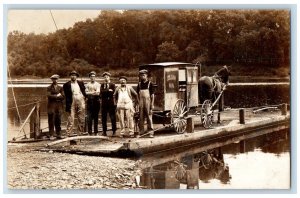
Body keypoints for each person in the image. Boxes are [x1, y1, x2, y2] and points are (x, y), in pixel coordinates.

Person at [63, 70, 87, 136]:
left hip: (80, 99)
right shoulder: (66, 85)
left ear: (76, 76)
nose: (73, 76)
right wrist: (67, 104)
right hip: (71, 101)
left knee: (81, 118)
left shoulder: (81, 83)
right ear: (70, 76)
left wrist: (85, 98)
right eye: (72, 75)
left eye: (75, 75)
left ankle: (80, 132)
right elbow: (65, 95)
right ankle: (68, 133)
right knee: (71, 118)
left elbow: (84, 91)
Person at [137, 69, 155, 138]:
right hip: (141, 103)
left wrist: (152, 105)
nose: (142, 76)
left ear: (146, 76)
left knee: (149, 117)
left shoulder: (150, 84)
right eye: (141, 75)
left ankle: (150, 132)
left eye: (143, 75)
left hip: (148, 103)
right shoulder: (139, 84)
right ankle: (141, 131)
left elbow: (152, 95)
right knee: (141, 117)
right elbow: (137, 95)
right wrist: (138, 103)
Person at [47, 74, 64, 140]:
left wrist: (55, 96)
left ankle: (58, 134)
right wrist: (57, 96)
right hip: (51, 106)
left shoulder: (61, 88)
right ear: (52, 80)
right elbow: (49, 96)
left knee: (58, 120)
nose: (55, 80)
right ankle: (51, 134)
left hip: (59, 106)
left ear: (58, 79)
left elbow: (63, 97)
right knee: (51, 120)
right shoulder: (49, 87)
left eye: (56, 79)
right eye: (54, 79)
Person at [100, 72, 117, 136]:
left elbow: (113, 93)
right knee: (103, 118)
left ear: (109, 77)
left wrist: (106, 91)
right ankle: (104, 132)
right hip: (104, 103)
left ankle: (114, 131)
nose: (106, 78)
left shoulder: (112, 84)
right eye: (104, 77)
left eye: (107, 77)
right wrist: (108, 90)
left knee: (113, 117)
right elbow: (101, 92)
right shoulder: (102, 85)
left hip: (111, 103)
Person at [85, 71, 101, 135]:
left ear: (95, 77)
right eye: (91, 76)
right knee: (89, 118)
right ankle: (89, 132)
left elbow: (97, 93)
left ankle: (96, 132)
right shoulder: (87, 84)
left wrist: (90, 92)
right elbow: (86, 93)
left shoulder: (98, 84)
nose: (92, 78)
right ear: (89, 77)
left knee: (96, 118)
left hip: (96, 102)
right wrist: (93, 92)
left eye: (94, 76)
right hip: (89, 102)